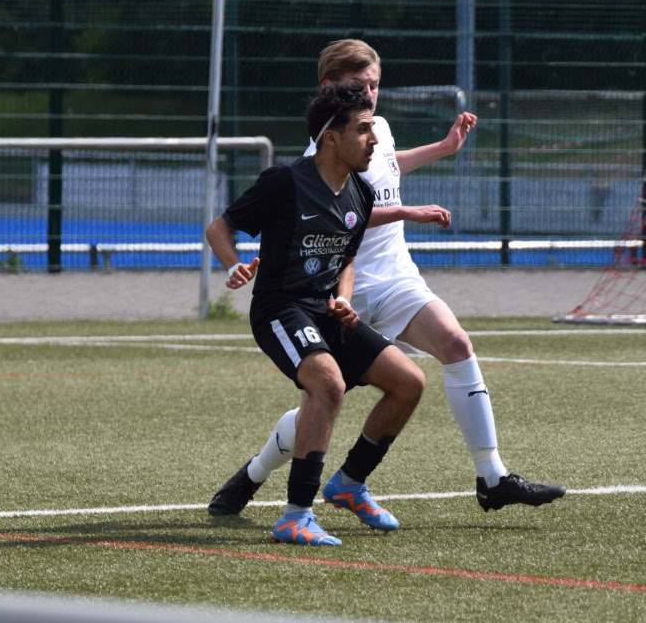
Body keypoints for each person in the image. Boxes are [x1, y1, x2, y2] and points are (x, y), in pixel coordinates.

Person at [209, 39, 564, 520]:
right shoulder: (326, 146)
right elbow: (344, 211)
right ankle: (254, 475)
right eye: (360, 86)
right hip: (338, 285)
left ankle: (491, 475)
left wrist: (444, 148)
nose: (370, 95)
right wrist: (405, 211)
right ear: (330, 88)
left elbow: (388, 168)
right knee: (323, 397)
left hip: (391, 276)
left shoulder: (375, 130)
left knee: (455, 345)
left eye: (375, 85)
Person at [204, 80, 425, 546]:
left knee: (409, 382)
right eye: (363, 129)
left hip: (326, 311)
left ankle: (350, 483)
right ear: (331, 138)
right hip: (280, 308)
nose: (374, 139)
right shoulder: (285, 182)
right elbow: (219, 227)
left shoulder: (361, 194)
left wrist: (344, 298)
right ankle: (296, 516)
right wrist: (233, 265)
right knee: (328, 385)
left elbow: (346, 260)